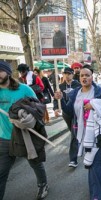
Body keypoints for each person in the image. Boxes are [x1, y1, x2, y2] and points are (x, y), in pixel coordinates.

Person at [54, 65, 101, 200]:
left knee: (96, 163)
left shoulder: (99, 91)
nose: (84, 77)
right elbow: (70, 111)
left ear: (91, 77)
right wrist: (60, 101)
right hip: (82, 134)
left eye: (87, 75)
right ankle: (94, 189)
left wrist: (94, 105)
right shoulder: (75, 93)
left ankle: (96, 196)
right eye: (81, 75)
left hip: (98, 132)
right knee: (91, 163)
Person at [0, 61, 49, 200]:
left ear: (8, 73)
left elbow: (38, 109)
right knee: (1, 173)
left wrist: (27, 117)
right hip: (4, 137)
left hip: (24, 135)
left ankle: (43, 184)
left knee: (35, 163)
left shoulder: (24, 89)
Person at [53, 67, 81, 168]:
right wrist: (56, 108)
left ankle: (73, 159)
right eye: (65, 73)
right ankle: (78, 142)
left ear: (72, 75)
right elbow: (55, 99)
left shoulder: (78, 85)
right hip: (66, 113)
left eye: (69, 73)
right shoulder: (59, 86)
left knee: (74, 134)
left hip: (77, 113)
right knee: (73, 131)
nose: (67, 75)